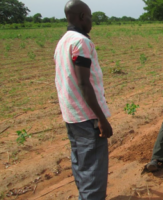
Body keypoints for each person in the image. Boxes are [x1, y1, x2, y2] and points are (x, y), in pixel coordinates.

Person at [54, 1, 112, 199]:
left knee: (81, 164)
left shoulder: (62, 42)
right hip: (87, 117)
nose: (91, 21)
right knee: (94, 173)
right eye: (89, 17)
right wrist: (102, 119)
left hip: (71, 114)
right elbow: (84, 83)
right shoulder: (81, 42)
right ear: (81, 17)